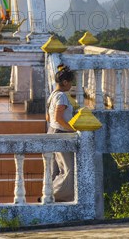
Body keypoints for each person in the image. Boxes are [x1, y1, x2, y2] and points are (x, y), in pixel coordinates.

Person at [47, 64, 75, 202]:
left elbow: (49, 117)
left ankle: (49, 193)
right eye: (70, 83)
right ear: (65, 82)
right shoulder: (62, 97)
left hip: (52, 131)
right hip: (60, 133)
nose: (71, 86)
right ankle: (54, 195)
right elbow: (58, 117)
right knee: (68, 170)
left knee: (55, 169)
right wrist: (73, 129)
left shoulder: (52, 94)